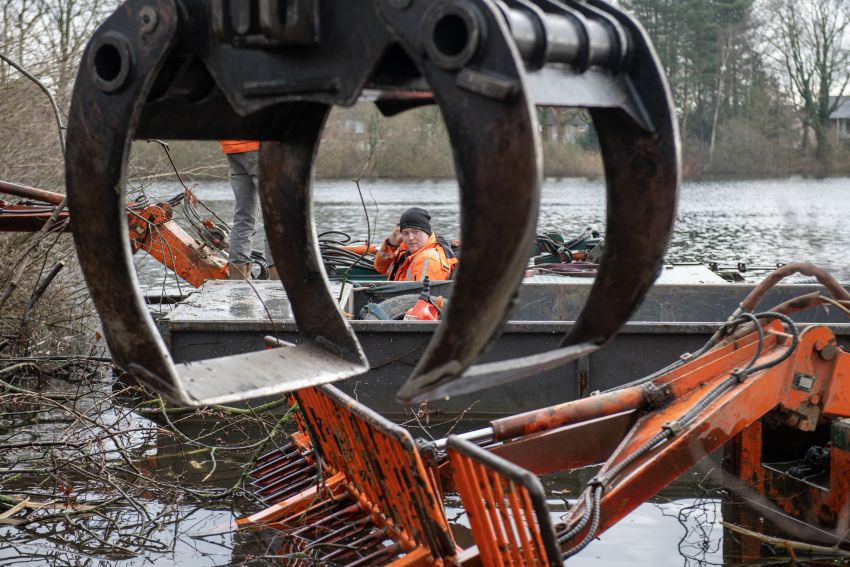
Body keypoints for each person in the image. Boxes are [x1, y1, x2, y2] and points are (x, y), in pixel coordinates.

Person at [218, 140, 277, 279]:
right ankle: (279, 282)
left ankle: (238, 280)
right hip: (259, 147)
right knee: (275, 215)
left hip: (232, 148)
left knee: (243, 216)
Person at [374, 207, 457, 281]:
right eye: (406, 233)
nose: (410, 238)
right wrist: (391, 244)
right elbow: (381, 268)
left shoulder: (429, 260)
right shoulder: (406, 250)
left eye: (415, 232)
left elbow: (423, 296)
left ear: (427, 233)